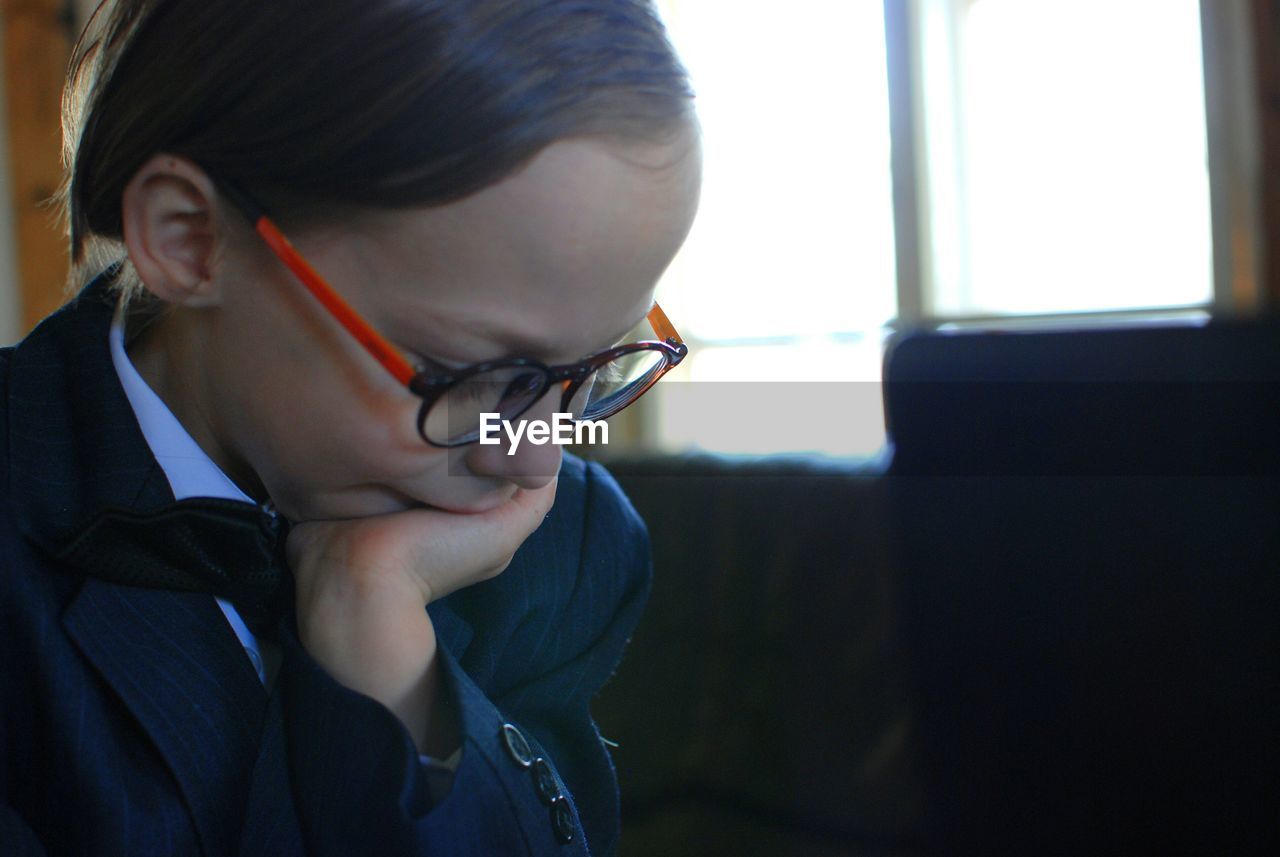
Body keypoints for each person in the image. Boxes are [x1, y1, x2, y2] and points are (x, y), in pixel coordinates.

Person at [0, 1, 701, 854]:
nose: (537, 457)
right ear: (190, 238)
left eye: (594, 367)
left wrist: (378, 643)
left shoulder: (569, 549)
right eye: (477, 377)